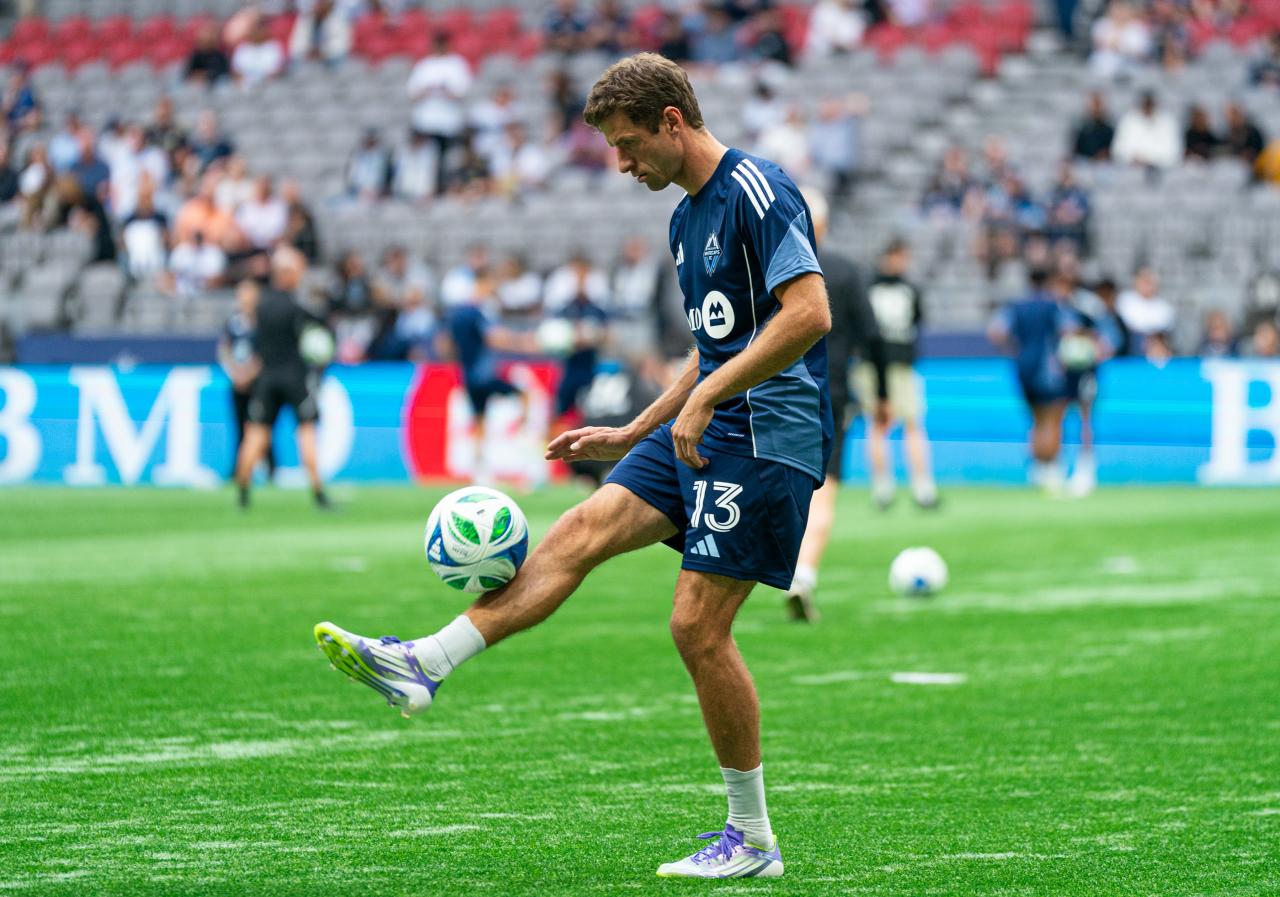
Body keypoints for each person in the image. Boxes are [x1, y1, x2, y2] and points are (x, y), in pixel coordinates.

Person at [314, 52, 832, 880]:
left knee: (697, 625)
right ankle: (425, 664)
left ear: (672, 121)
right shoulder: (683, 219)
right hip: (711, 416)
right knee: (583, 524)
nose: (621, 165)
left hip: (770, 427)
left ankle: (753, 840)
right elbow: (712, 352)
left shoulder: (757, 191)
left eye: (629, 145)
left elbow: (808, 314)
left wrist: (708, 399)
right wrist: (636, 429)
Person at [782, 187, 885, 623]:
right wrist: (880, 393)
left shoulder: (770, 269)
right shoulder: (844, 271)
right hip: (831, 393)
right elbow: (873, 335)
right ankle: (804, 574)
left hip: (776, 393)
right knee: (826, 491)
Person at [234, 247, 331, 510]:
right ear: (287, 273)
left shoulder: (261, 307)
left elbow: (255, 346)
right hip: (294, 377)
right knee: (307, 432)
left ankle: (242, 493)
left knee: (255, 434)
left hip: (266, 378)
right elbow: (321, 334)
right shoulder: (297, 307)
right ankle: (319, 494)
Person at [988, 268, 1084, 494]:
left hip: (1022, 367)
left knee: (1035, 420)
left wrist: (1014, 349)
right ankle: (1051, 467)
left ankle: (1036, 469)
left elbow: (996, 332)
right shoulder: (1054, 306)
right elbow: (1070, 330)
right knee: (1051, 418)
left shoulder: (1016, 307)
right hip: (1046, 369)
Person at [857, 239, 937, 510]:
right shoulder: (892, 288)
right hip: (882, 363)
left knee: (906, 424)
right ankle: (888, 487)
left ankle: (916, 486)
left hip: (890, 363)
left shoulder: (877, 286)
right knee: (883, 425)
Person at [219, 280, 275, 480]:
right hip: (237, 381)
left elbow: (266, 351)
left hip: (259, 382)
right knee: (239, 426)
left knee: (262, 426)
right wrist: (235, 373)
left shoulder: (264, 321)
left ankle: (270, 466)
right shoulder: (233, 322)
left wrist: (251, 373)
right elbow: (225, 349)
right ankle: (240, 468)